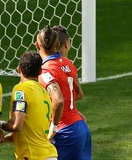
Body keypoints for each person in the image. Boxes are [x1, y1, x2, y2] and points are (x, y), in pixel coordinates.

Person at [36, 25, 91, 160]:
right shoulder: (69, 64)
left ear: (37, 45)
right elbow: (77, 94)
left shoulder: (45, 70)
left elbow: (58, 100)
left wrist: (53, 128)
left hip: (63, 131)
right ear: (59, 44)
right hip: (80, 127)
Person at [0, 51, 58, 160]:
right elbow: (33, 129)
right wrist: (7, 138)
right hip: (49, 154)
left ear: (19, 69)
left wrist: (0, 124)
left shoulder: (21, 90)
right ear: (40, 71)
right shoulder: (44, 92)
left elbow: (17, 125)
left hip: (33, 155)